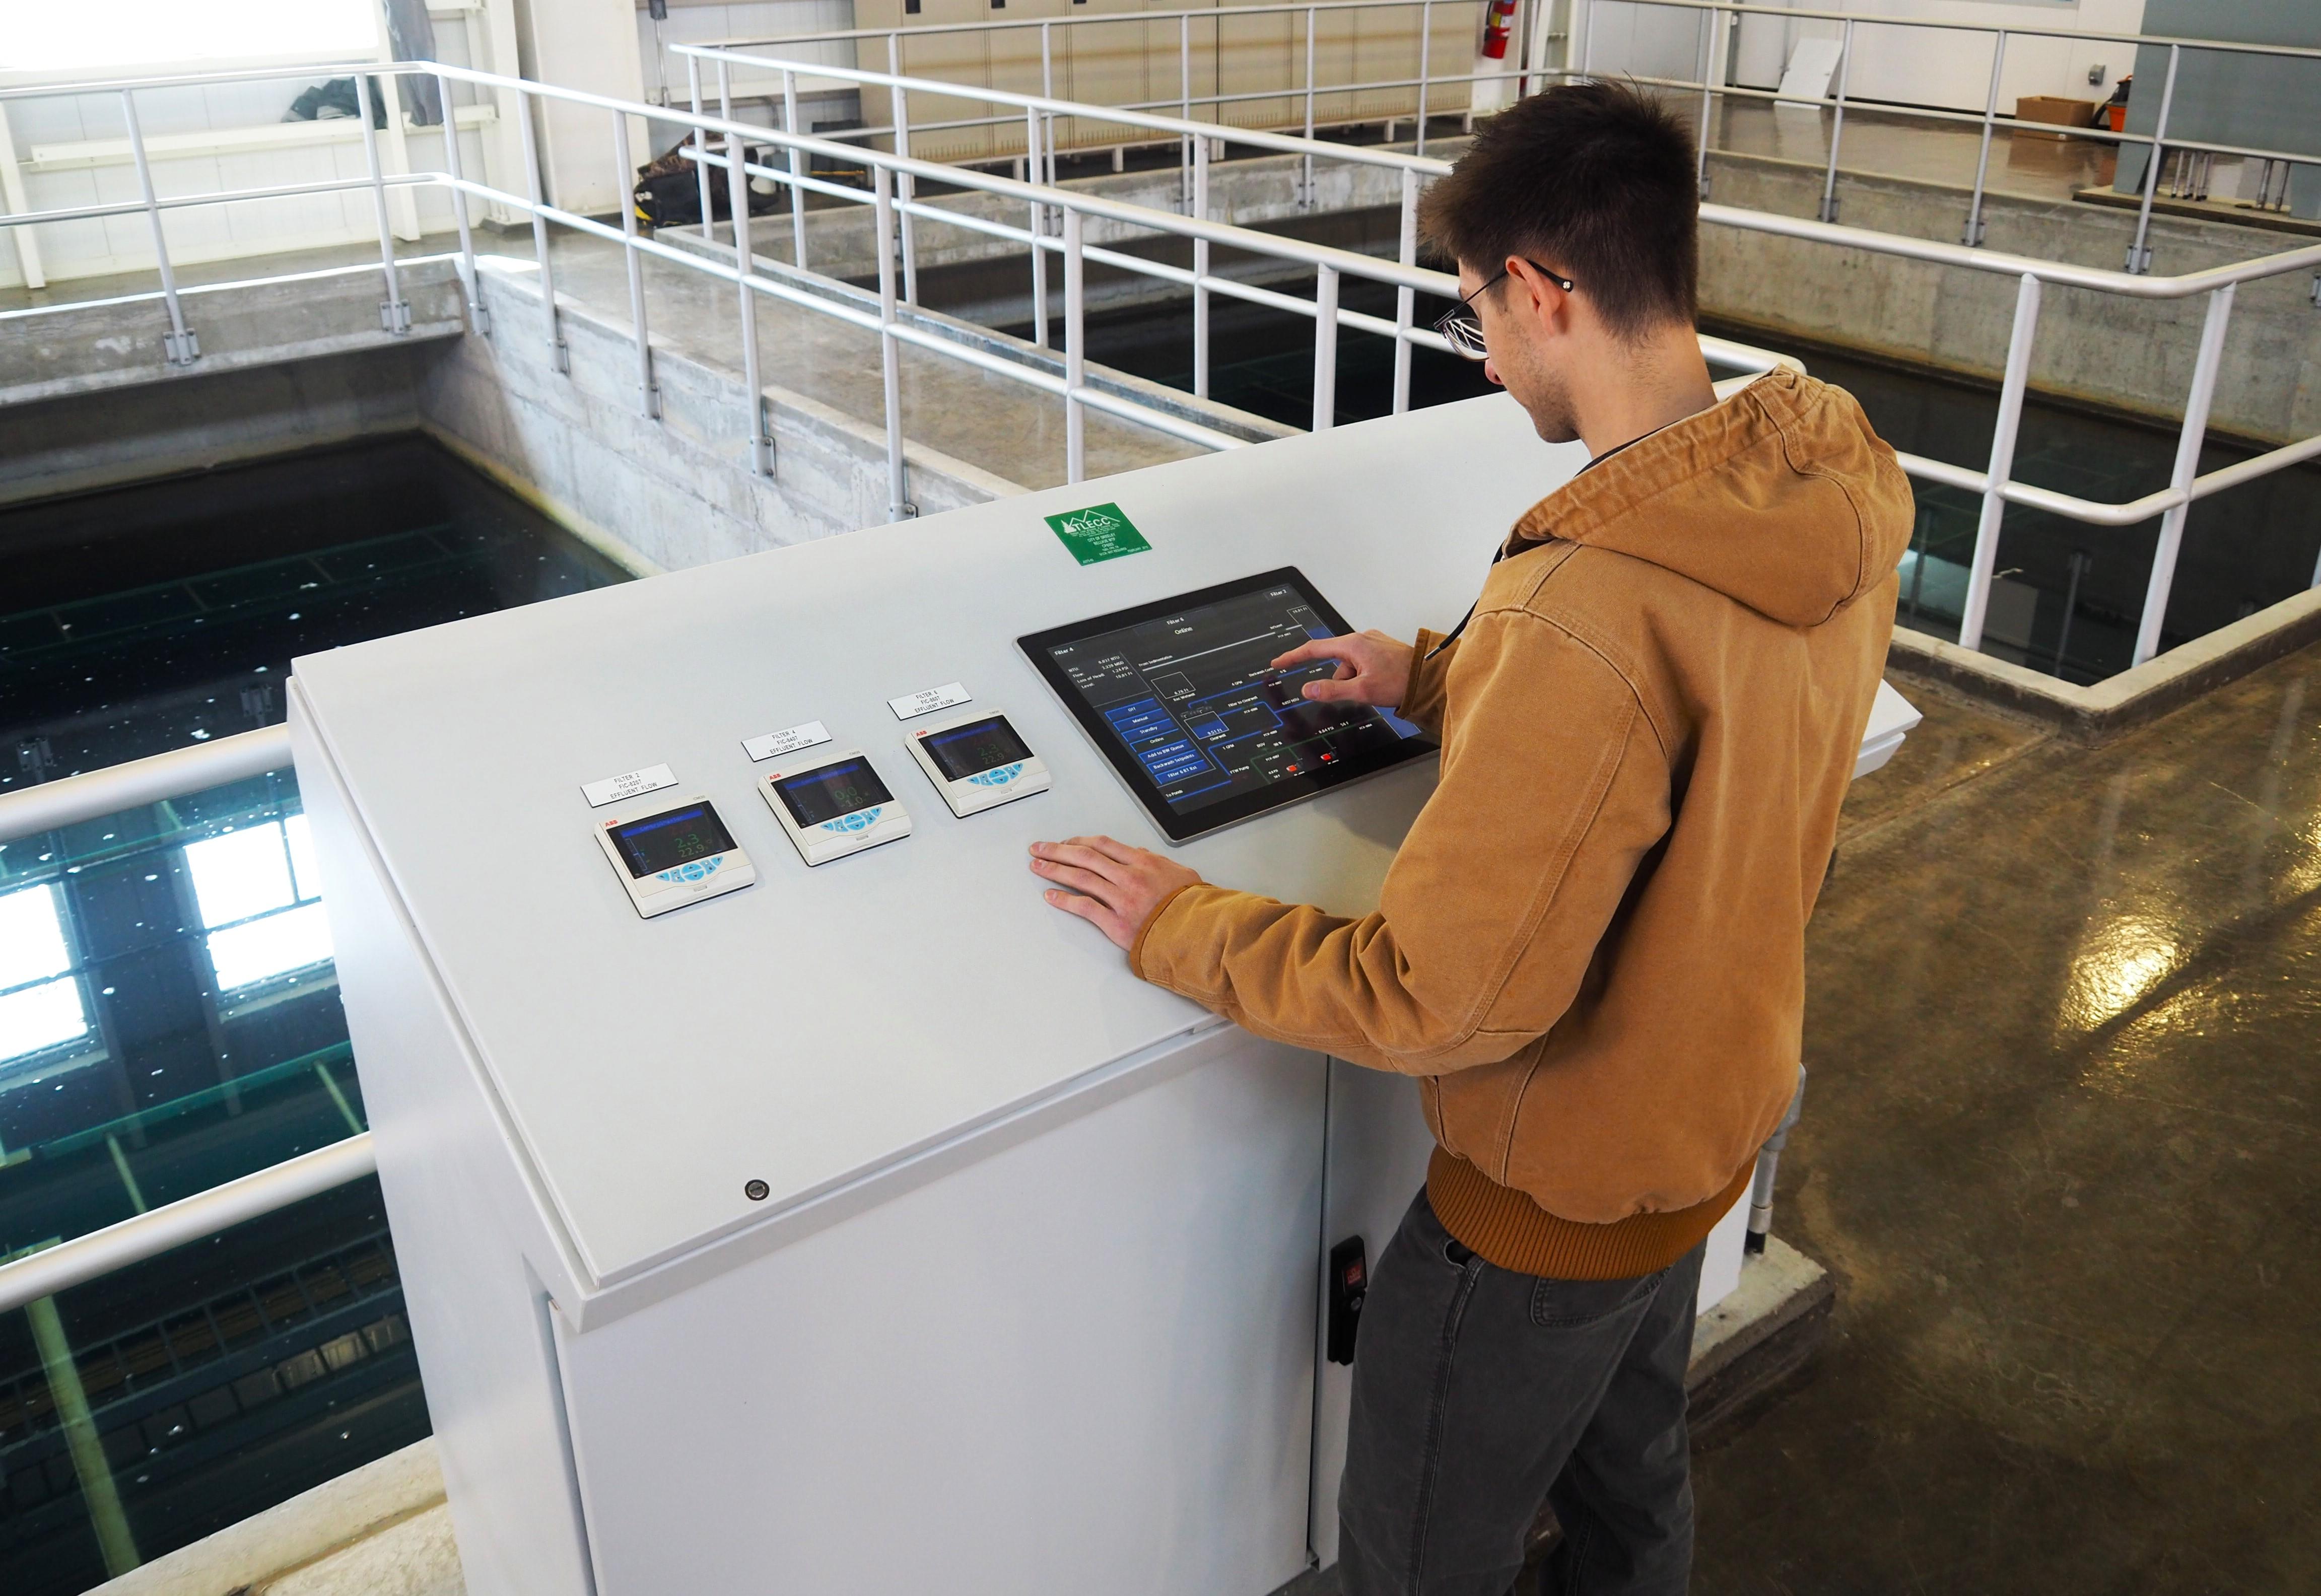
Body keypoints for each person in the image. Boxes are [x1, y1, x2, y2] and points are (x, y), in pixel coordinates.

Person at [1029, 79, 1913, 1596]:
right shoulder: (1834, 477)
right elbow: (1711, 729)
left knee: (1423, 1562)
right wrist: (1445, 674)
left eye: (1476, 320)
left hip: (1537, 1219)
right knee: (1638, 1502)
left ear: (1544, 290)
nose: (1487, 359)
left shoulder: (1585, 603)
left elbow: (1442, 993)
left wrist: (1178, 922)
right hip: (1701, 1141)